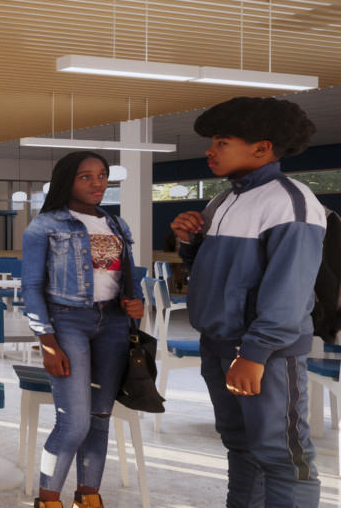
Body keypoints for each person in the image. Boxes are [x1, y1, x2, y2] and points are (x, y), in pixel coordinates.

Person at [172, 97, 323, 507]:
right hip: (218, 346)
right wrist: (190, 245)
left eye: (222, 141)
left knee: (282, 456)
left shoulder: (290, 201)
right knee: (240, 447)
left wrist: (254, 353)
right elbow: (220, 273)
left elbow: (289, 291)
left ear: (262, 147)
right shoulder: (222, 200)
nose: (210, 150)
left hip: (265, 355)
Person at [19, 151, 146, 508]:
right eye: (85, 177)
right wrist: (46, 341)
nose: (97, 183)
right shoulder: (44, 226)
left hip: (115, 326)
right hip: (67, 323)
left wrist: (135, 303)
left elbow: (123, 280)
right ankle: (48, 500)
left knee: (100, 417)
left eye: (102, 175)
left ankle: (88, 496)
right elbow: (30, 287)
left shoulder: (118, 225)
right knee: (73, 422)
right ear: (67, 181)